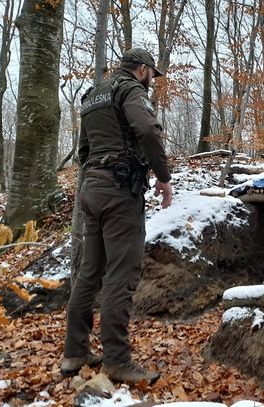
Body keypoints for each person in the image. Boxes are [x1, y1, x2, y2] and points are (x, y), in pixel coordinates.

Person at [61, 48, 173, 384]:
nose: (153, 81)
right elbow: (149, 131)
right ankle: (117, 361)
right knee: (121, 277)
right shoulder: (130, 89)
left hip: (92, 190)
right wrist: (163, 177)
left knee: (89, 273)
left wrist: (94, 179)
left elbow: (84, 150)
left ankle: (75, 352)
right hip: (119, 192)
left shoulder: (93, 96)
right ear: (141, 70)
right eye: (152, 74)